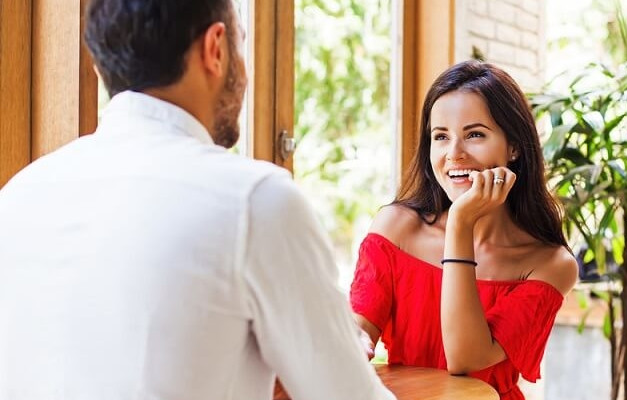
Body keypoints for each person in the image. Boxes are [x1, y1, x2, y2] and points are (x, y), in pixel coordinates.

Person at [0, 1, 394, 399]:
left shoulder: (17, 197)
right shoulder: (254, 202)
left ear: (103, 67)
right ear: (216, 49)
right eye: (241, 43)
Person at [350, 60, 578, 400]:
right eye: (440, 137)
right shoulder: (396, 228)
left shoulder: (550, 264)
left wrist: (460, 223)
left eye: (474, 135)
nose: (453, 154)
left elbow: (466, 362)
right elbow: (358, 332)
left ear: (513, 147)